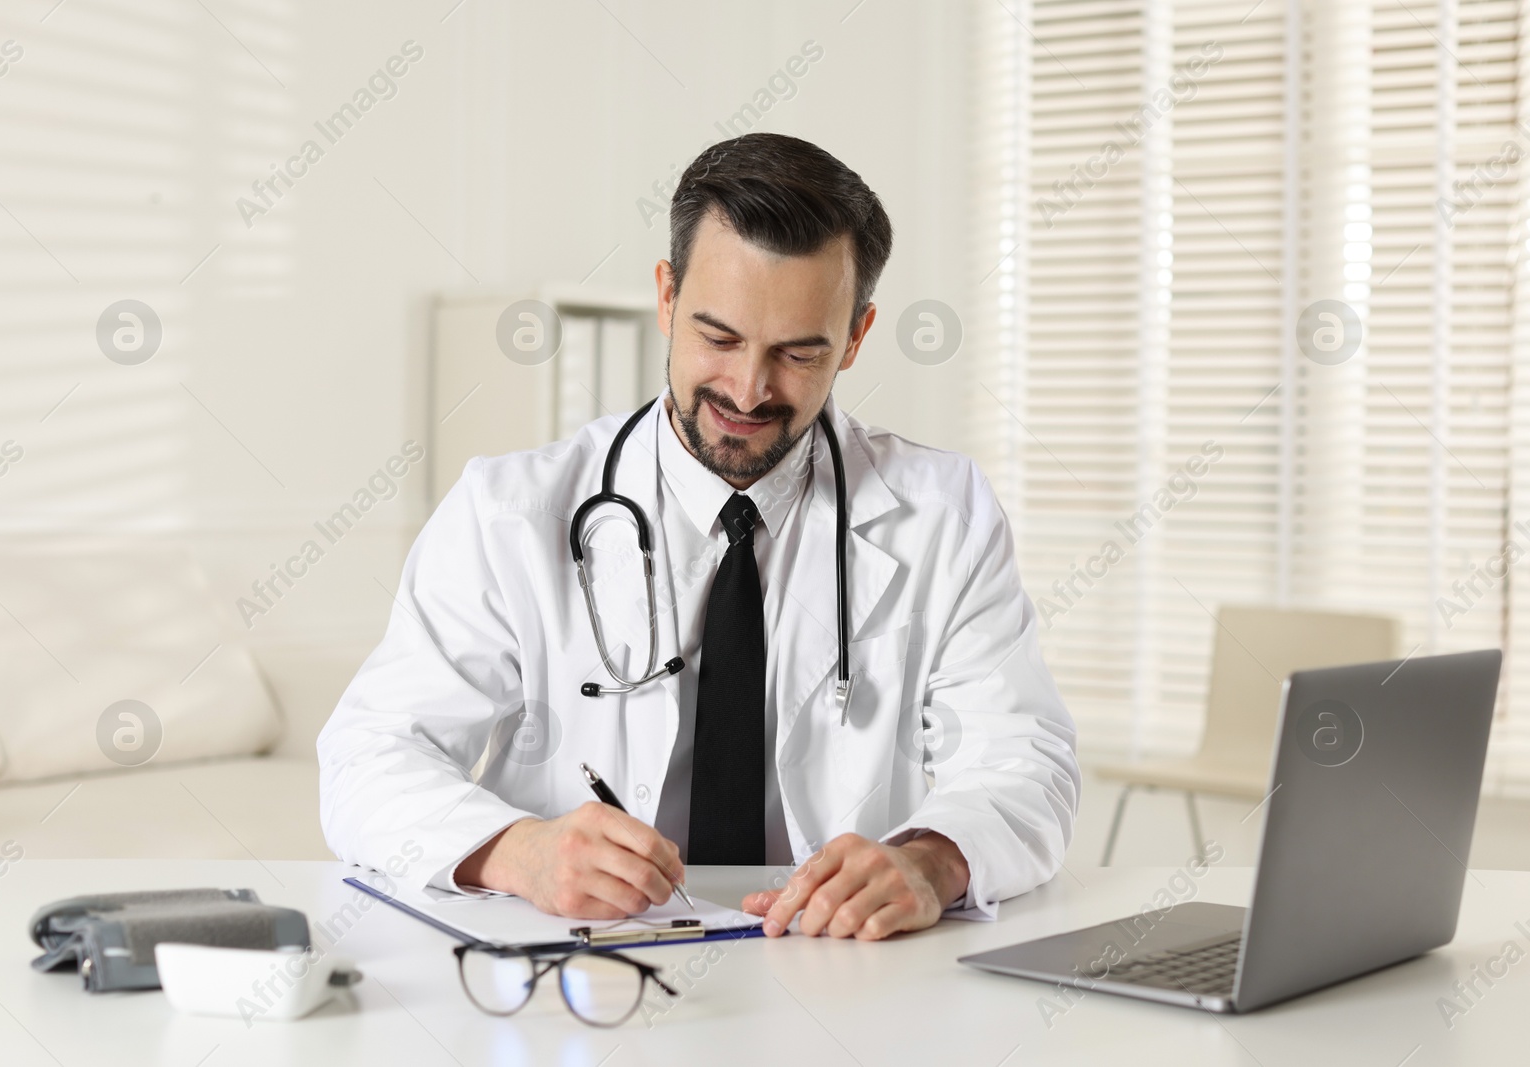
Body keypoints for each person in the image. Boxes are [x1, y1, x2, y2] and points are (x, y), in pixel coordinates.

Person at [318, 132, 1079, 941]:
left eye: (797, 351)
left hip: (839, 969)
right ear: (666, 296)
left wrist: (931, 858)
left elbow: (1025, 762)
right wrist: (518, 850)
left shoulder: (943, 514)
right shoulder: (508, 511)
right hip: (588, 970)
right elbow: (367, 759)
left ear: (855, 338)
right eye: (719, 337)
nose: (749, 388)